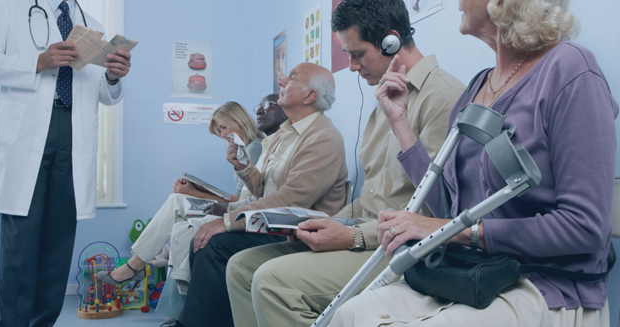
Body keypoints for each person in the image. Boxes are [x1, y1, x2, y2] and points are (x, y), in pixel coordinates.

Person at [330, 0, 618, 326]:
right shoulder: (478, 88)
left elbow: (585, 228)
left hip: (546, 284)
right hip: (470, 272)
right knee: (350, 314)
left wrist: (456, 232)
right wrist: (400, 123)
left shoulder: (571, 70)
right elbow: (449, 207)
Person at [225, 0, 464, 326]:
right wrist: (317, 224)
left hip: (402, 248)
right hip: (365, 233)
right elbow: (369, 201)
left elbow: (438, 211)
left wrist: (352, 237)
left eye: (357, 54)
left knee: (271, 280)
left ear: (391, 41)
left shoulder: (443, 98)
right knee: (240, 267)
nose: (351, 67)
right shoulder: (385, 100)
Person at [175, 62, 349, 327]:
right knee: (200, 240)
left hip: (298, 233)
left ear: (310, 96)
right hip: (273, 222)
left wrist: (225, 222)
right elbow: (265, 189)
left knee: (212, 245)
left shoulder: (323, 137)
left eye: (291, 78)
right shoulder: (284, 133)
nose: (281, 82)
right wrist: (244, 167)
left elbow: (289, 201)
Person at [0, 1, 132, 326]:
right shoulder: (7, 7)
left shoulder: (92, 24)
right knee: (20, 243)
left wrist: (113, 77)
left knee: (58, 244)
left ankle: (43, 322)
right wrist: (37, 62)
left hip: (72, 134)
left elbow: (105, 93)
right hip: (26, 134)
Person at [97, 100, 274, 285]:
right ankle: (138, 266)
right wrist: (196, 190)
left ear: (239, 121)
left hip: (240, 212)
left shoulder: (253, 148)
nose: (222, 134)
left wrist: (195, 192)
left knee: (176, 201)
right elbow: (238, 195)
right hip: (236, 207)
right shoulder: (246, 147)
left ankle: (134, 266)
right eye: (219, 130)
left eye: (224, 127)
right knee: (178, 202)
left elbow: (238, 200)